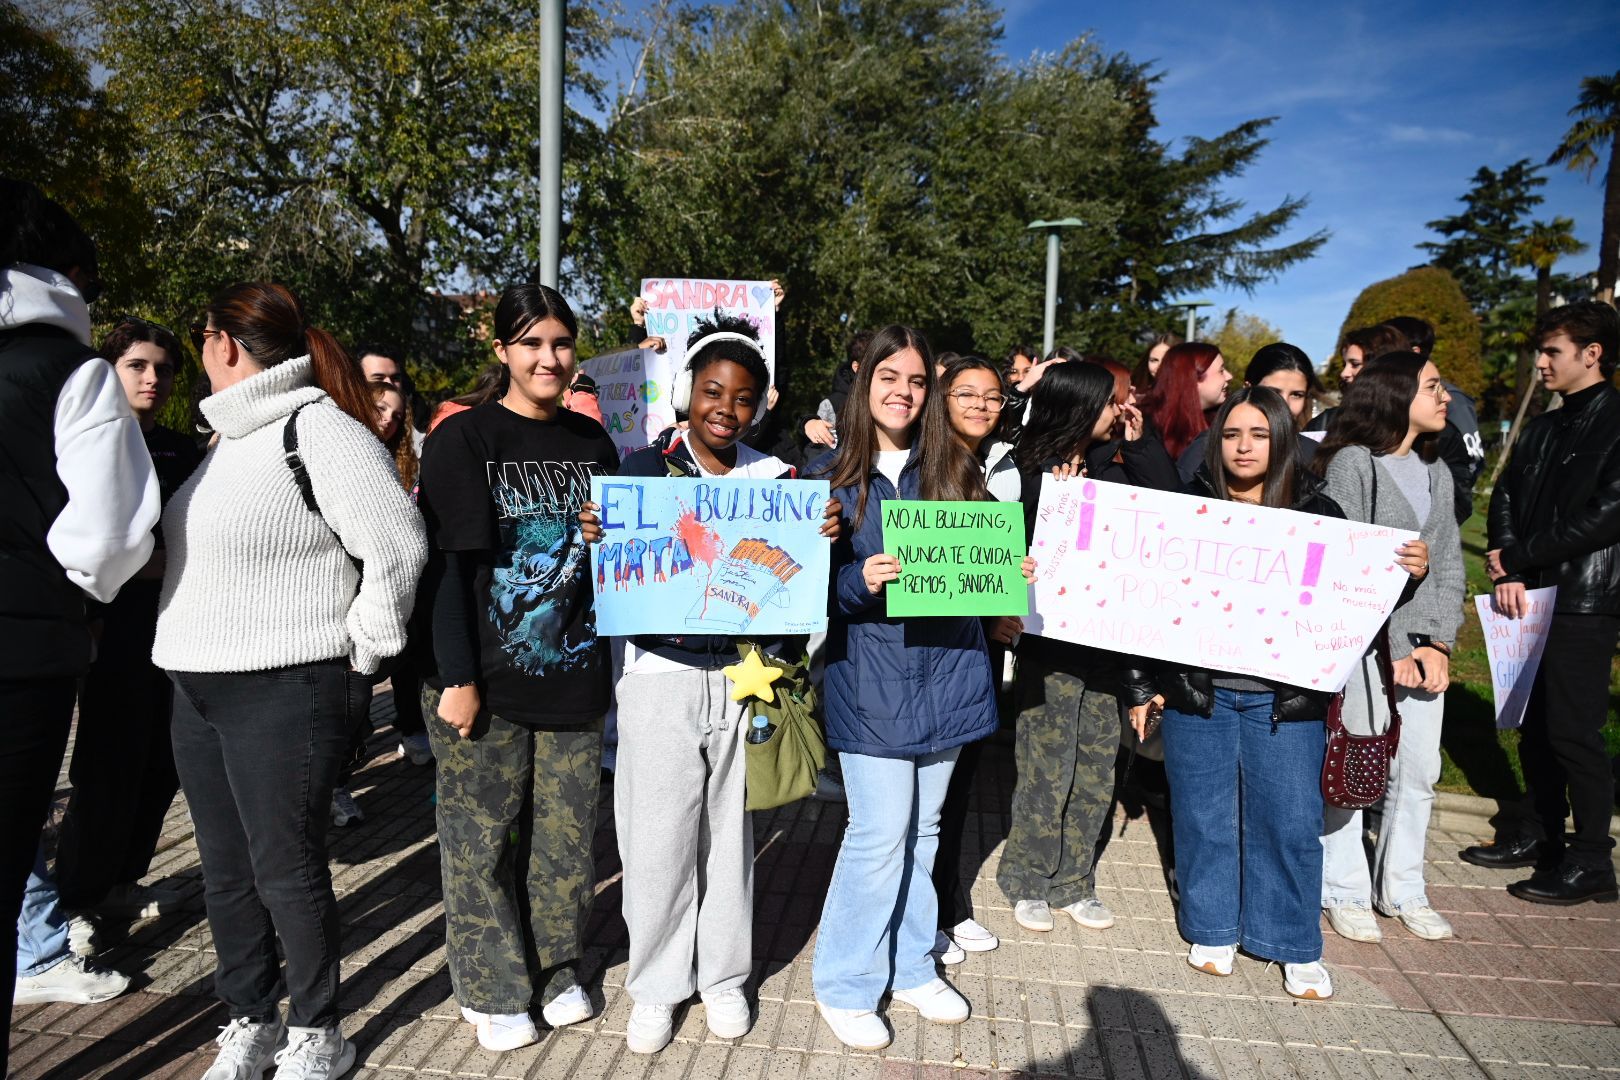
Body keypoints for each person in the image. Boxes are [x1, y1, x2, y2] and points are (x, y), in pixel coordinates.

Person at [153, 282, 427, 1080]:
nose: (201, 351)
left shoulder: (320, 431)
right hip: (195, 684)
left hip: (286, 684)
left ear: (224, 345)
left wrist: (364, 653)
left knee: (285, 867)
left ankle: (317, 1030)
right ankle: (250, 1018)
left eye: (201, 337)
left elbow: (398, 545)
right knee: (226, 868)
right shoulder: (222, 440)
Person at [584, 312, 840, 1055]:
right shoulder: (639, 473)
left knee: (730, 836)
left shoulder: (780, 480)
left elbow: (798, 592)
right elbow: (615, 568)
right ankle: (658, 986)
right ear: (688, 393)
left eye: (742, 397)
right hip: (659, 675)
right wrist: (600, 532)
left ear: (761, 405)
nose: (725, 409)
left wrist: (823, 535)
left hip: (741, 675)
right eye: (712, 391)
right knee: (656, 840)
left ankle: (725, 978)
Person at [810, 325, 1030, 1051]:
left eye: (914, 381)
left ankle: (910, 964)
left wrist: (1010, 579)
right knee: (877, 834)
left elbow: (979, 578)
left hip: (951, 678)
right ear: (863, 383)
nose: (902, 392)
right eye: (888, 378)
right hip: (871, 683)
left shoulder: (961, 471)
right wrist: (859, 581)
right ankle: (845, 981)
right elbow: (806, 594)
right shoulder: (829, 477)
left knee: (927, 833)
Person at [414, 284, 617, 1052]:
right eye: (530, 344)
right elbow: (449, 574)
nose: (548, 358)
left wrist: (610, 542)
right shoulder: (463, 440)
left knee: (565, 847)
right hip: (485, 685)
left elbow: (616, 564)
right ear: (501, 352)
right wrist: (458, 678)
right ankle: (493, 987)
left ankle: (556, 969)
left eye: (561, 344)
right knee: (480, 844)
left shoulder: (592, 444)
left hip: (573, 676)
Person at [0, 184, 158, 1072]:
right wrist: (76, 596)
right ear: (68, 276)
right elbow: (109, 531)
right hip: (23, 649)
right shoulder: (72, 371)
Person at [1123, 387, 1345, 1001]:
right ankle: (1213, 927)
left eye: (1258, 434)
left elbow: (1354, 608)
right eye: (1231, 434)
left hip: (1286, 702)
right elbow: (1148, 601)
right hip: (1201, 696)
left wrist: (1407, 578)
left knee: (1292, 823)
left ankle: (1293, 943)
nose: (1244, 447)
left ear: (1284, 440)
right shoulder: (1186, 510)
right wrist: (1141, 685)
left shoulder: (1321, 514)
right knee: (1203, 818)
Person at [1000, 362, 1178, 939]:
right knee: (1045, 765)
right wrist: (1057, 495)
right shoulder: (1025, 466)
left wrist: (1141, 444)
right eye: (1110, 404)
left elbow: (1170, 511)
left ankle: (1075, 880)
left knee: (1099, 765)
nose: (1119, 412)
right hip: (1049, 644)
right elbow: (1012, 547)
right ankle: (1028, 878)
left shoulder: (1115, 466)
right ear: (1079, 405)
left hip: (1105, 646)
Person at [1464, 301, 1620, 905]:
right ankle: (1540, 832)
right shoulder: (1545, 424)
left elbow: (1606, 516)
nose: (1540, 362)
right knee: (1530, 724)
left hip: (1585, 598)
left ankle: (1591, 862)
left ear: (1592, 353)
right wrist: (1507, 554)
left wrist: (1522, 554)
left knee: (1574, 731)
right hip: (1528, 593)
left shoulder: (1615, 421)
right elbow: (1505, 492)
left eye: (1552, 351)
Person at [53, 316, 201, 925]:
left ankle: (121, 879)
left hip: (176, 627)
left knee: (163, 760)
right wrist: (146, 565)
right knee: (108, 761)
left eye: (164, 369)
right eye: (137, 365)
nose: (153, 378)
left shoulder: (179, 449)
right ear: (107, 369)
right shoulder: (84, 442)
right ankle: (80, 894)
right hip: (109, 628)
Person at [1315, 354, 1461, 942]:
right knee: (1355, 760)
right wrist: (1398, 643)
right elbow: (1347, 565)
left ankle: (1403, 888)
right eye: (1433, 386)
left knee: (1419, 771)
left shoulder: (1438, 472)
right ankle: (1343, 888)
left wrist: (1439, 644)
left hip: (1423, 648)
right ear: (1398, 395)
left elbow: (1448, 564)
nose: (1445, 395)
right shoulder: (1354, 464)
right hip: (1365, 648)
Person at [928, 355, 1019, 965]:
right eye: (968, 394)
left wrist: (1008, 599)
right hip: (926, 647)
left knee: (958, 787)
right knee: (925, 793)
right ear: (943, 397)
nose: (982, 405)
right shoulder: (923, 462)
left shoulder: (1009, 463)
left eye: (993, 396)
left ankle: (947, 904)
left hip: (979, 647)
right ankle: (930, 912)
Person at [1176, 343, 1323, 483]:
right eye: (1272, 393)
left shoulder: (1315, 456)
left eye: (1296, 395)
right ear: (1248, 388)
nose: (1284, 404)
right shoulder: (1206, 449)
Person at [1306, 324, 1410, 434]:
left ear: (1382, 367)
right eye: (1344, 364)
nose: (1343, 373)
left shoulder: (1416, 423)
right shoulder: (1326, 422)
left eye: (1355, 364)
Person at [1139, 342, 1230, 461]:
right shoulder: (1147, 430)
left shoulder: (1225, 420)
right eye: (1221, 370)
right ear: (1194, 377)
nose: (1229, 376)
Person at [1129, 331, 1183, 395]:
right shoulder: (1135, 395)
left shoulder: (1191, 395)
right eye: (1154, 360)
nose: (1159, 366)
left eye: (1166, 361)